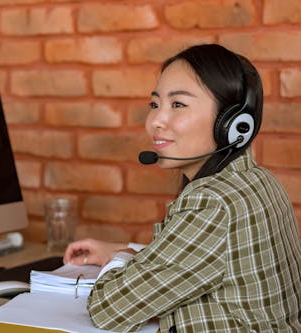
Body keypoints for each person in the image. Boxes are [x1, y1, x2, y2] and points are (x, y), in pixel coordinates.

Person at [63, 44, 301, 332]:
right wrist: (130, 252)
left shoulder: (212, 202)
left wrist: (120, 260)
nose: (155, 122)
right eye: (155, 104)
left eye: (178, 105)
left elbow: (108, 309)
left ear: (231, 124)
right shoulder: (257, 180)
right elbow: (205, 262)